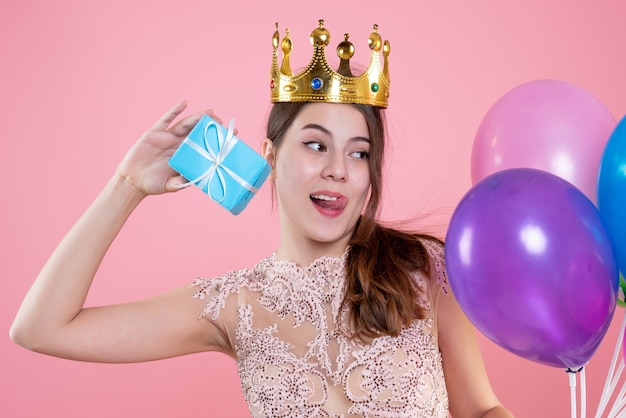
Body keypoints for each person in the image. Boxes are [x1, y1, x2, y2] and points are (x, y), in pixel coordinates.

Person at [11, 20, 513, 417]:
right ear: (270, 155)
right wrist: (126, 187)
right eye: (315, 145)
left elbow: (480, 408)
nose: (337, 169)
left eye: (359, 154)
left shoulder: (425, 270)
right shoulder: (233, 305)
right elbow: (42, 328)